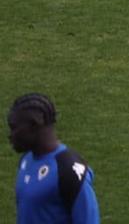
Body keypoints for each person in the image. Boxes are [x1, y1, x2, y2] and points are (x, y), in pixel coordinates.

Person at [8, 93, 101, 224]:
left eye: (14, 128)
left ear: (34, 125)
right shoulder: (26, 160)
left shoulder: (68, 170)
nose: (10, 135)